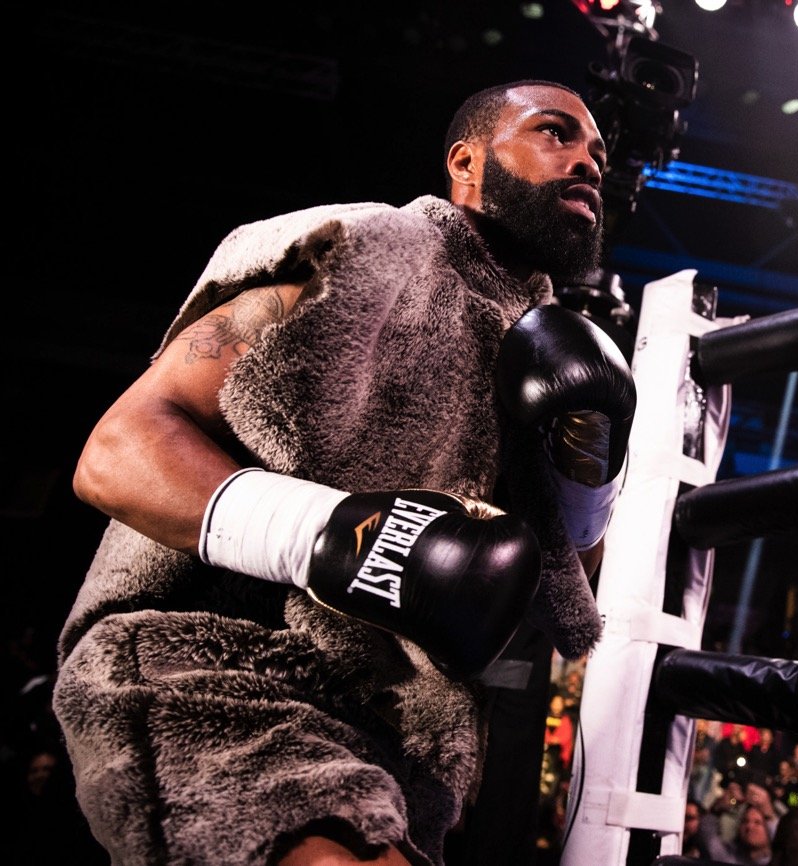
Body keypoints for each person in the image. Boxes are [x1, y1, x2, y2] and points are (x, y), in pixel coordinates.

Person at [51, 79, 636, 866]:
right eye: (555, 133)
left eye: (598, 151)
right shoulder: (361, 250)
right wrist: (338, 538)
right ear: (466, 161)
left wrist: (587, 481)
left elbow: (556, 603)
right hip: (210, 667)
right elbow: (116, 452)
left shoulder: (541, 348)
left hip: (401, 739)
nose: (587, 162)